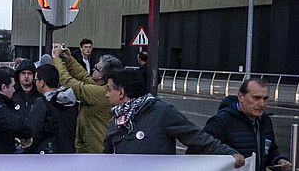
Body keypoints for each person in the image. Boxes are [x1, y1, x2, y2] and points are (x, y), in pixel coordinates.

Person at [103, 68, 243, 164]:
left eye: (109, 89)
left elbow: (198, 138)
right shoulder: (116, 118)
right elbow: (107, 155)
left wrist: (230, 155)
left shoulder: (161, 112)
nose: (107, 94)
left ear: (121, 92)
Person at [202, 77, 291, 171]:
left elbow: (269, 149)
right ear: (241, 97)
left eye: (265, 99)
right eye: (256, 98)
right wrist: (230, 157)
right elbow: (201, 148)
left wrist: (278, 161)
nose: (261, 103)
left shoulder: (265, 121)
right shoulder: (222, 121)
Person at [53, 44, 121, 154]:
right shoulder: (103, 88)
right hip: (97, 148)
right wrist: (69, 59)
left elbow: (68, 82)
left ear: (100, 75)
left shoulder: (99, 93)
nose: (93, 67)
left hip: (93, 151)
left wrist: (56, 58)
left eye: (96, 68)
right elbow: (84, 76)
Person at [33, 63, 78, 154]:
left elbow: (34, 130)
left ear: (42, 83)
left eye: (36, 80)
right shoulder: (72, 101)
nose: (35, 83)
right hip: (69, 152)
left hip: (47, 154)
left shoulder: (42, 103)